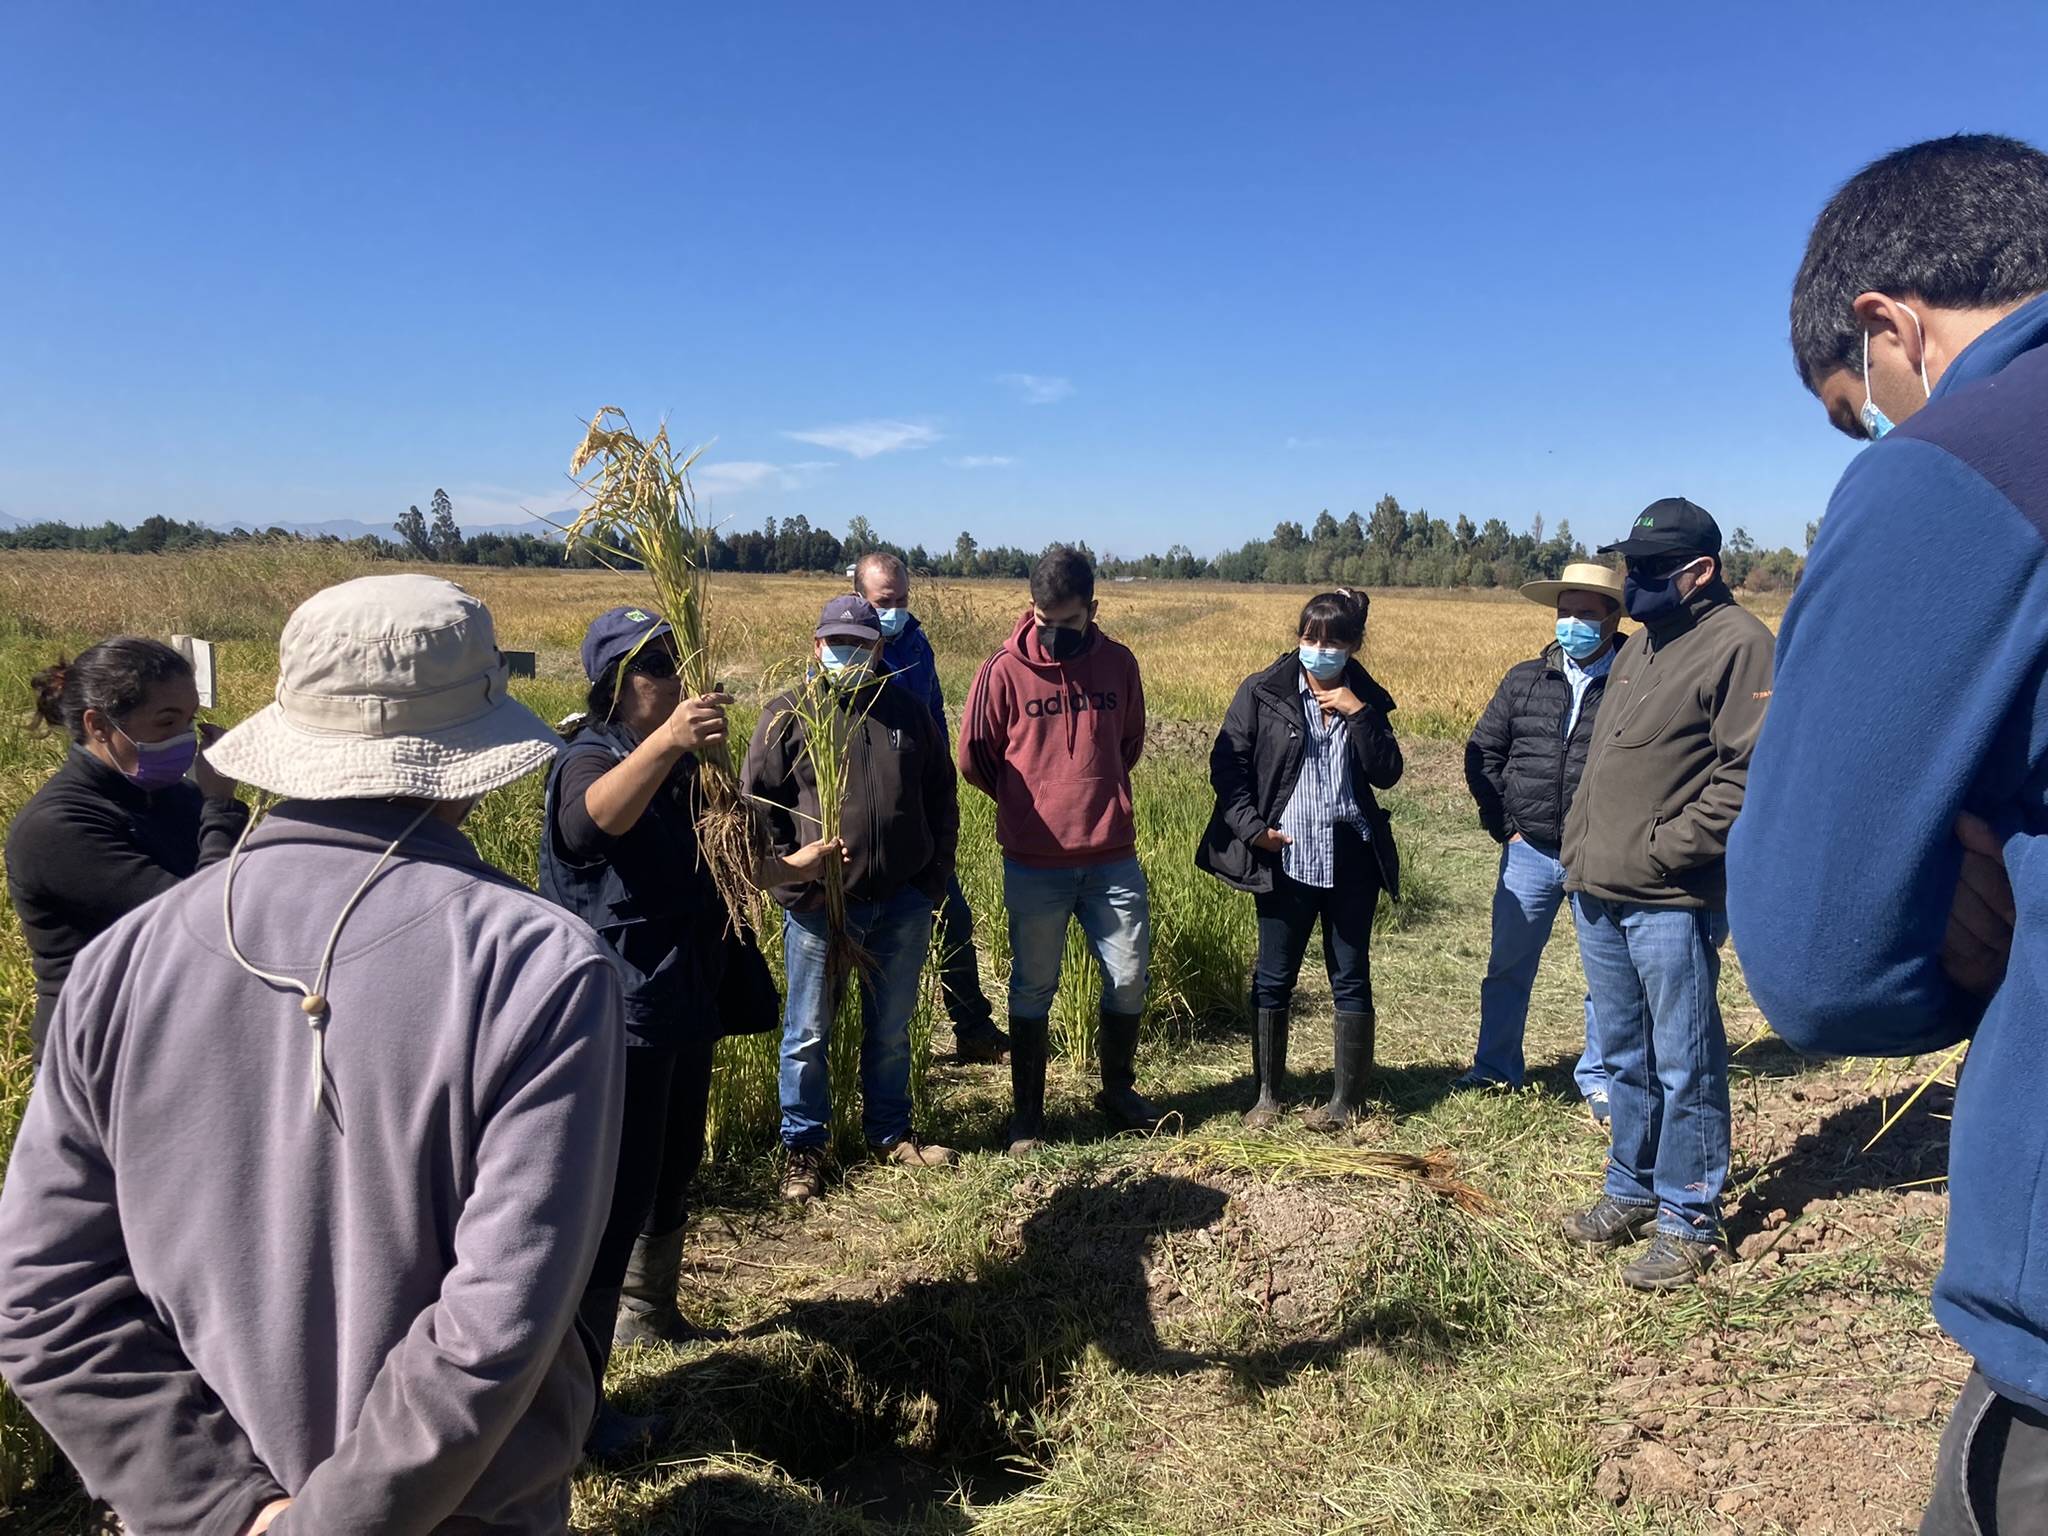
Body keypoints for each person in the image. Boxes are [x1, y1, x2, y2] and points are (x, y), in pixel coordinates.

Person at [0, 574, 625, 1533]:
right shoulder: (537, 963)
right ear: (471, 752)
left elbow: (44, 1298)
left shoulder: (123, 961)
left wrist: (223, 1507)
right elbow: (496, 1325)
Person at [1727, 133, 2048, 1531]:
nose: (1878, 440)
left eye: (1860, 412)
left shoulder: (1971, 457)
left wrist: (1956, 948)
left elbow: (1817, 952)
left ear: (1889, 326)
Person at [539, 605, 840, 1458]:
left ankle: (651, 1317)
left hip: (684, 1000)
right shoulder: (592, 758)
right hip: (620, 1013)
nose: (668, 677)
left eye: (675, 662)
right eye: (650, 667)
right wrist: (668, 740)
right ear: (610, 685)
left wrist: (793, 868)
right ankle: (578, 1411)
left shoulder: (688, 771)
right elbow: (587, 823)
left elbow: (728, 861)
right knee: (611, 1201)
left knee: (672, 1172)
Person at [1558, 498, 1773, 1291]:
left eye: (1650, 572)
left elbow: (1747, 779)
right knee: (1625, 1054)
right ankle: (1631, 1190)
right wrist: (1586, 849)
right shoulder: (1646, 643)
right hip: (1600, 886)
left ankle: (1689, 1216)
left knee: (1685, 1059)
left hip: (1668, 898)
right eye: (1631, 568)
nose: (1633, 585)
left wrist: (1662, 850)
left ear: (1701, 572)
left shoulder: (1740, 645)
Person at [743, 594, 961, 1204]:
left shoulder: (908, 712)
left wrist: (931, 880)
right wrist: (796, 886)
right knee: (808, 1033)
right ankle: (804, 1148)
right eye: (836, 643)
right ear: (817, 647)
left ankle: (889, 1132)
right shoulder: (786, 716)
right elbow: (758, 809)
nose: (848, 655)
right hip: (820, 909)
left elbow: (942, 798)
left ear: (879, 651)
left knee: (891, 1028)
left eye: (860, 645)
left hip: (902, 904)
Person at [959, 545, 1156, 1153]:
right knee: (1032, 985)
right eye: (1044, 624)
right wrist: (1030, 802)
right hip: (1034, 861)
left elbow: (1129, 742)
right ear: (1031, 610)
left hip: (1109, 855)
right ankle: (1027, 1118)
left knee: (1127, 975)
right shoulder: (1002, 671)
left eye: (1068, 625)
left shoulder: (1119, 664)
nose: (1054, 636)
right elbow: (976, 756)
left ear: (1092, 610)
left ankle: (1117, 1091)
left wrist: (1093, 797)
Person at [1196, 590, 1403, 1129]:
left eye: (1333, 641)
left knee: (1351, 975)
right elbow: (1228, 764)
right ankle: (1267, 1096)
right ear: (1298, 638)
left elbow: (1387, 772)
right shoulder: (1264, 692)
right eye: (1310, 638)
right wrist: (1251, 829)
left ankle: (1346, 1103)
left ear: (1354, 646)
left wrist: (1359, 715)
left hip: (1351, 856)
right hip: (1284, 855)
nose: (1319, 650)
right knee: (1273, 977)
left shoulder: (1367, 698)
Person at [5, 637, 248, 1068]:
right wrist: (221, 808)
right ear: (99, 726)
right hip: (98, 1054)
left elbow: (246, 900)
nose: (185, 740)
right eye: (166, 723)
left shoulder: (176, 798)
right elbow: (203, 925)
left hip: (169, 1040)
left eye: (190, 722)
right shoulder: (58, 827)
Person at [1456, 562, 1625, 1117]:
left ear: (1613, 618)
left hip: (1599, 854)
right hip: (1528, 849)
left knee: (1607, 974)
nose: (1571, 622)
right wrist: (1503, 823)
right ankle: (1494, 1067)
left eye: (1585, 613)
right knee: (1507, 966)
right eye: (1564, 612)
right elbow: (1484, 751)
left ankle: (1601, 1078)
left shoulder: (1635, 681)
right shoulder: (1525, 679)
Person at [853, 550, 1010, 1064]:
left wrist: (941, 794)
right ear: (859, 599)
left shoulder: (917, 644)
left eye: (901, 599)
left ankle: (972, 1028)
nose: (893, 610)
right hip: (864, 827)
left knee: (952, 919)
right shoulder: (845, 649)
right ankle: (867, 1053)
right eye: (883, 602)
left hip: (919, 815)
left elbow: (936, 726)